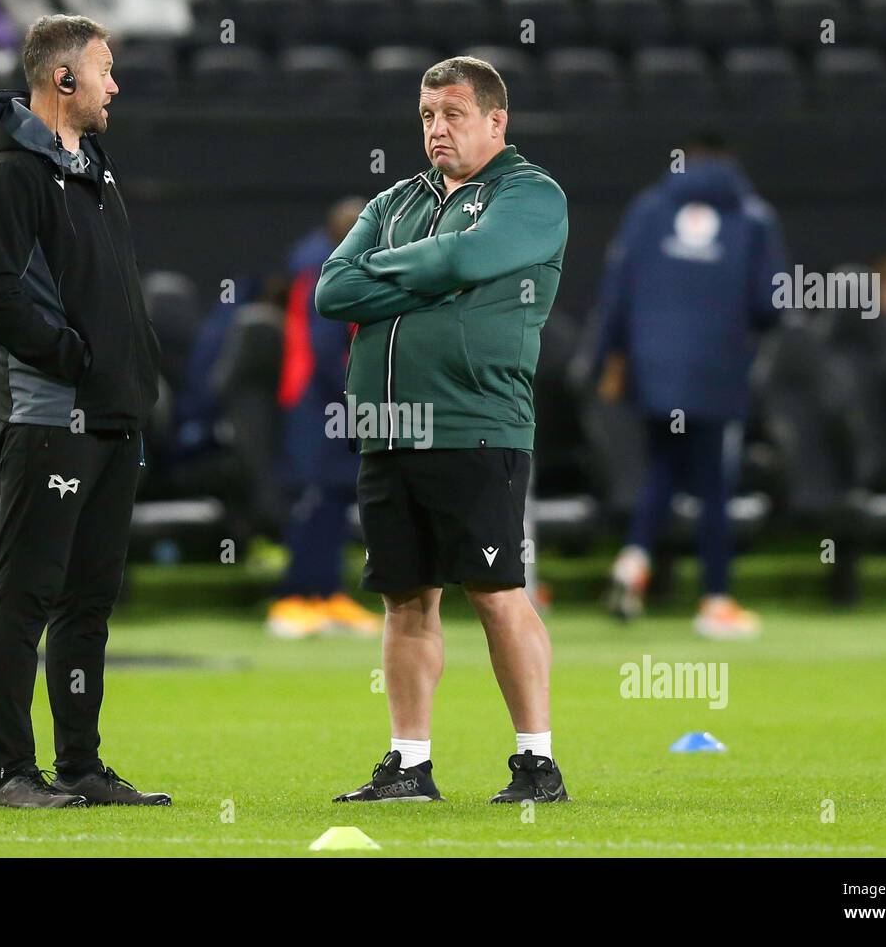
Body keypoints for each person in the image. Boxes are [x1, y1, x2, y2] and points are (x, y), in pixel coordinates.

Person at [315, 56, 570, 803]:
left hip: (474, 421)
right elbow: (333, 288)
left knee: (494, 589)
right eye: (427, 116)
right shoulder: (397, 198)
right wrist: (432, 275)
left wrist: (391, 273)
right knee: (404, 599)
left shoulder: (531, 195)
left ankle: (536, 761)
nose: (437, 129)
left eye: (453, 114)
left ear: (497, 120)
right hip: (387, 425)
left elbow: (472, 253)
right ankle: (409, 764)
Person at [0, 14, 170, 808]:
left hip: (115, 418)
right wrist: (76, 360)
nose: (115, 85)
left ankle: (80, 764)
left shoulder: (95, 166)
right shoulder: (12, 175)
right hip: (55, 416)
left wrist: (128, 372)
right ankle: (14, 772)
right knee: (27, 594)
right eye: (106, 70)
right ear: (63, 79)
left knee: (88, 605)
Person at [591, 133, 786, 640]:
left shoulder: (649, 208)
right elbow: (771, 303)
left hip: (653, 372)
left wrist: (604, 360)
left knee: (661, 469)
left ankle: (633, 564)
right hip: (715, 372)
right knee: (715, 485)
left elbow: (616, 291)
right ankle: (716, 599)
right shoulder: (753, 215)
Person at [266, 197, 382, 639]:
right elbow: (325, 348)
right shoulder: (321, 267)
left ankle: (327, 594)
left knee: (335, 499)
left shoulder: (330, 259)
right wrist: (362, 389)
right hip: (315, 402)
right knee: (315, 502)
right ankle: (292, 599)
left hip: (331, 402)